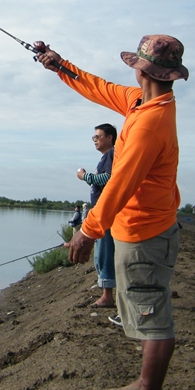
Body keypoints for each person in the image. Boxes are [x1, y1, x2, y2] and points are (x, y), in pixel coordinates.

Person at [37, 34, 188, 390]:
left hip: (146, 235)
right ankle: (143, 382)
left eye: (136, 65)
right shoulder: (139, 102)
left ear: (144, 71)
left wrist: (88, 231)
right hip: (135, 231)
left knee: (153, 318)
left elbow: (121, 184)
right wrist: (60, 66)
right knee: (140, 310)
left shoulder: (151, 123)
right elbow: (98, 88)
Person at [78, 123, 117, 308]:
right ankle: (105, 288)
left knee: (105, 252)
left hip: (106, 213)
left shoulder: (111, 154)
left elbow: (109, 178)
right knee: (101, 252)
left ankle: (107, 294)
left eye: (98, 136)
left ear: (109, 137)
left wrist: (85, 177)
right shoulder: (105, 157)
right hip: (100, 212)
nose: (95, 140)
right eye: (93, 137)